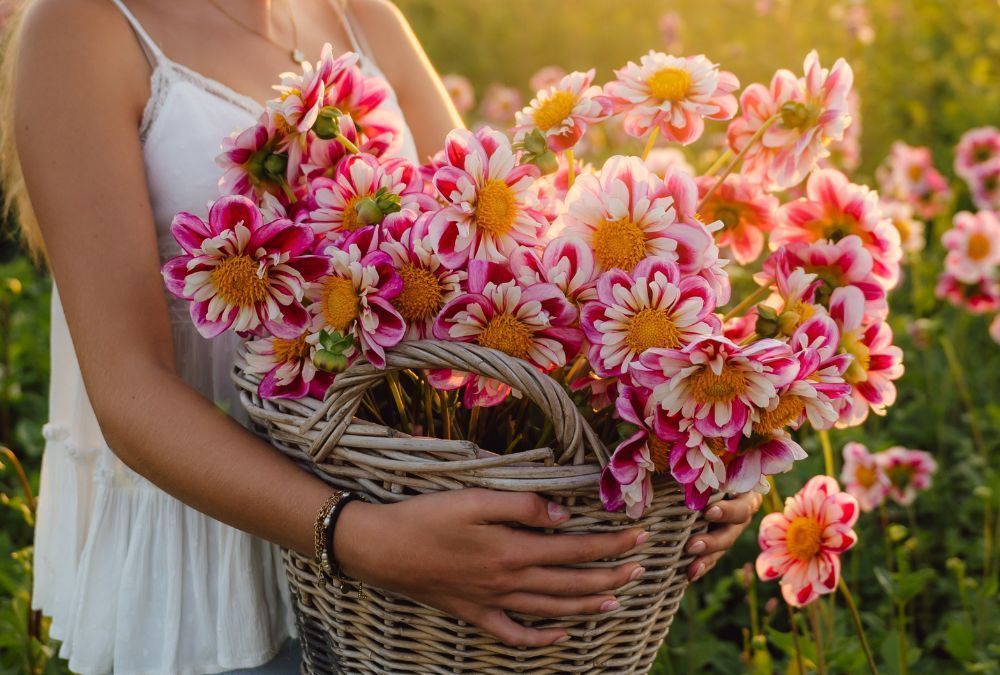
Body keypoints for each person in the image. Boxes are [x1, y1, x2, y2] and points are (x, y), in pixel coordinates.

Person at [1, 0, 763, 672]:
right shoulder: (81, 28)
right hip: (228, 563)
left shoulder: (360, 15)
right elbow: (130, 392)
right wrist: (357, 537)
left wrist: (695, 439)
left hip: (415, 553)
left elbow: (502, 256)